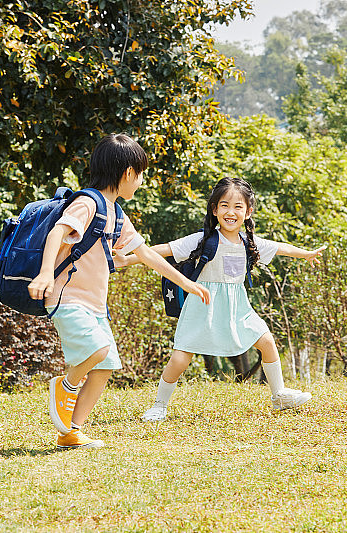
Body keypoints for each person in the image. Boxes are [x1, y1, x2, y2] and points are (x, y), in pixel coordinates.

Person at [27, 134, 210, 449]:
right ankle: (65, 386)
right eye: (140, 174)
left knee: (106, 364)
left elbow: (146, 253)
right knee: (96, 350)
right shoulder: (88, 203)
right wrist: (45, 273)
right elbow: (58, 232)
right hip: (68, 298)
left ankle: (71, 431)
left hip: (95, 304)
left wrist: (185, 282)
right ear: (128, 173)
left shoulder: (116, 213)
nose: (141, 181)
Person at [115, 177, 325, 421]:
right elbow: (164, 249)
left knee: (267, 341)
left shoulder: (249, 242)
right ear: (214, 210)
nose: (231, 212)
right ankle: (159, 405)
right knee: (180, 358)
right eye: (224, 205)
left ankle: (278, 395)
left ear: (248, 212)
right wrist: (129, 259)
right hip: (202, 305)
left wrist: (306, 254)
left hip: (237, 307)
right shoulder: (203, 239)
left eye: (238, 206)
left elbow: (281, 248)